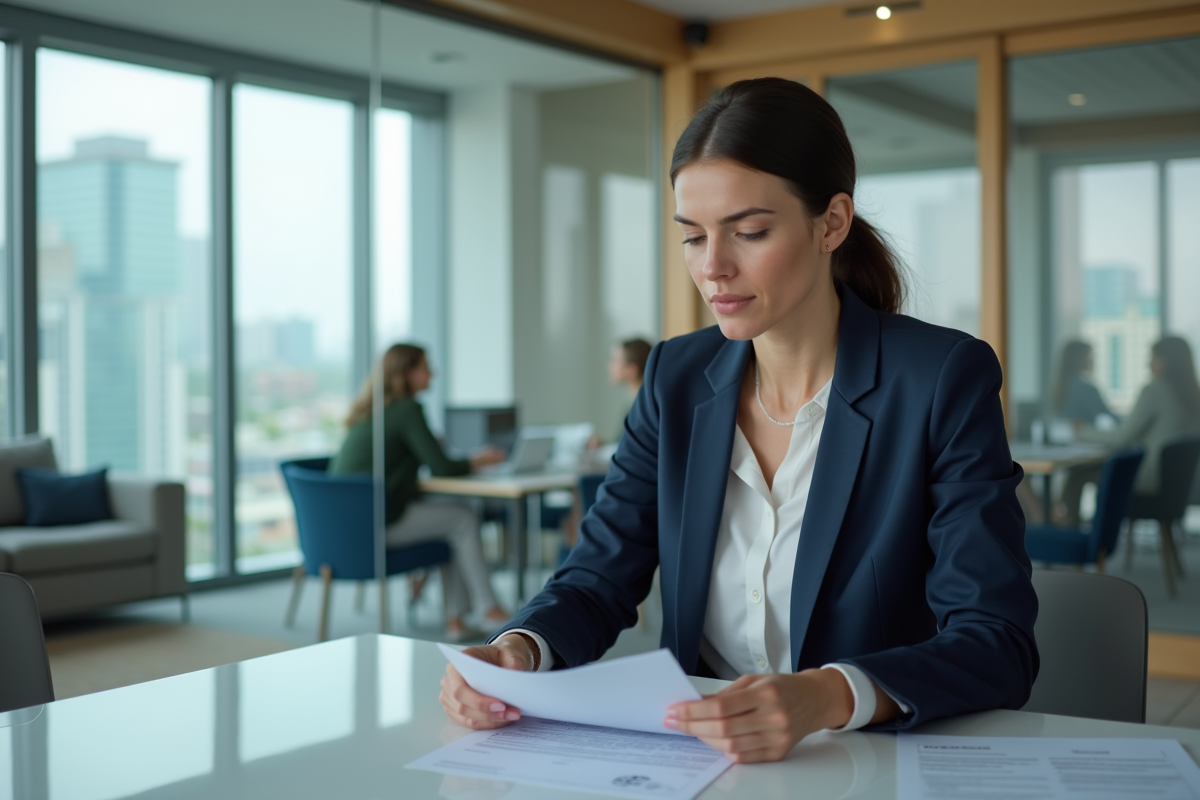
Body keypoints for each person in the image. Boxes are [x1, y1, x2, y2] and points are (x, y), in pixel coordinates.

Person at [439, 78, 1036, 763]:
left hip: (862, 761)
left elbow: (997, 640)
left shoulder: (939, 378)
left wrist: (825, 695)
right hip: (703, 763)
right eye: (692, 238)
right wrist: (518, 649)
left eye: (749, 232)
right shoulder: (674, 378)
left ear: (832, 224)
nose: (714, 268)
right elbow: (598, 579)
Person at [330, 344, 508, 638]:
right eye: (425, 366)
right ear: (406, 373)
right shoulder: (407, 410)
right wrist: (481, 458)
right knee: (462, 518)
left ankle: (457, 619)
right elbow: (443, 468)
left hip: (343, 529)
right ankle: (487, 609)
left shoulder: (370, 411)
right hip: (377, 525)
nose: (432, 373)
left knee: (454, 513)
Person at [1073, 336, 1200, 502]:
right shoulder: (1193, 395)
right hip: (1182, 483)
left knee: (1078, 472)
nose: (1148, 364)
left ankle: (1066, 524)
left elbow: (1122, 438)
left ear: (1165, 361)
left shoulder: (1156, 390)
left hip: (1150, 481)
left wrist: (1081, 431)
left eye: (1153, 358)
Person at [1051, 340, 1114, 426]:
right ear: (1078, 359)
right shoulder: (1085, 389)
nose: (1093, 360)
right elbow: (1107, 415)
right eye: (1089, 356)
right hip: (1083, 438)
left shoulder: (1060, 387)